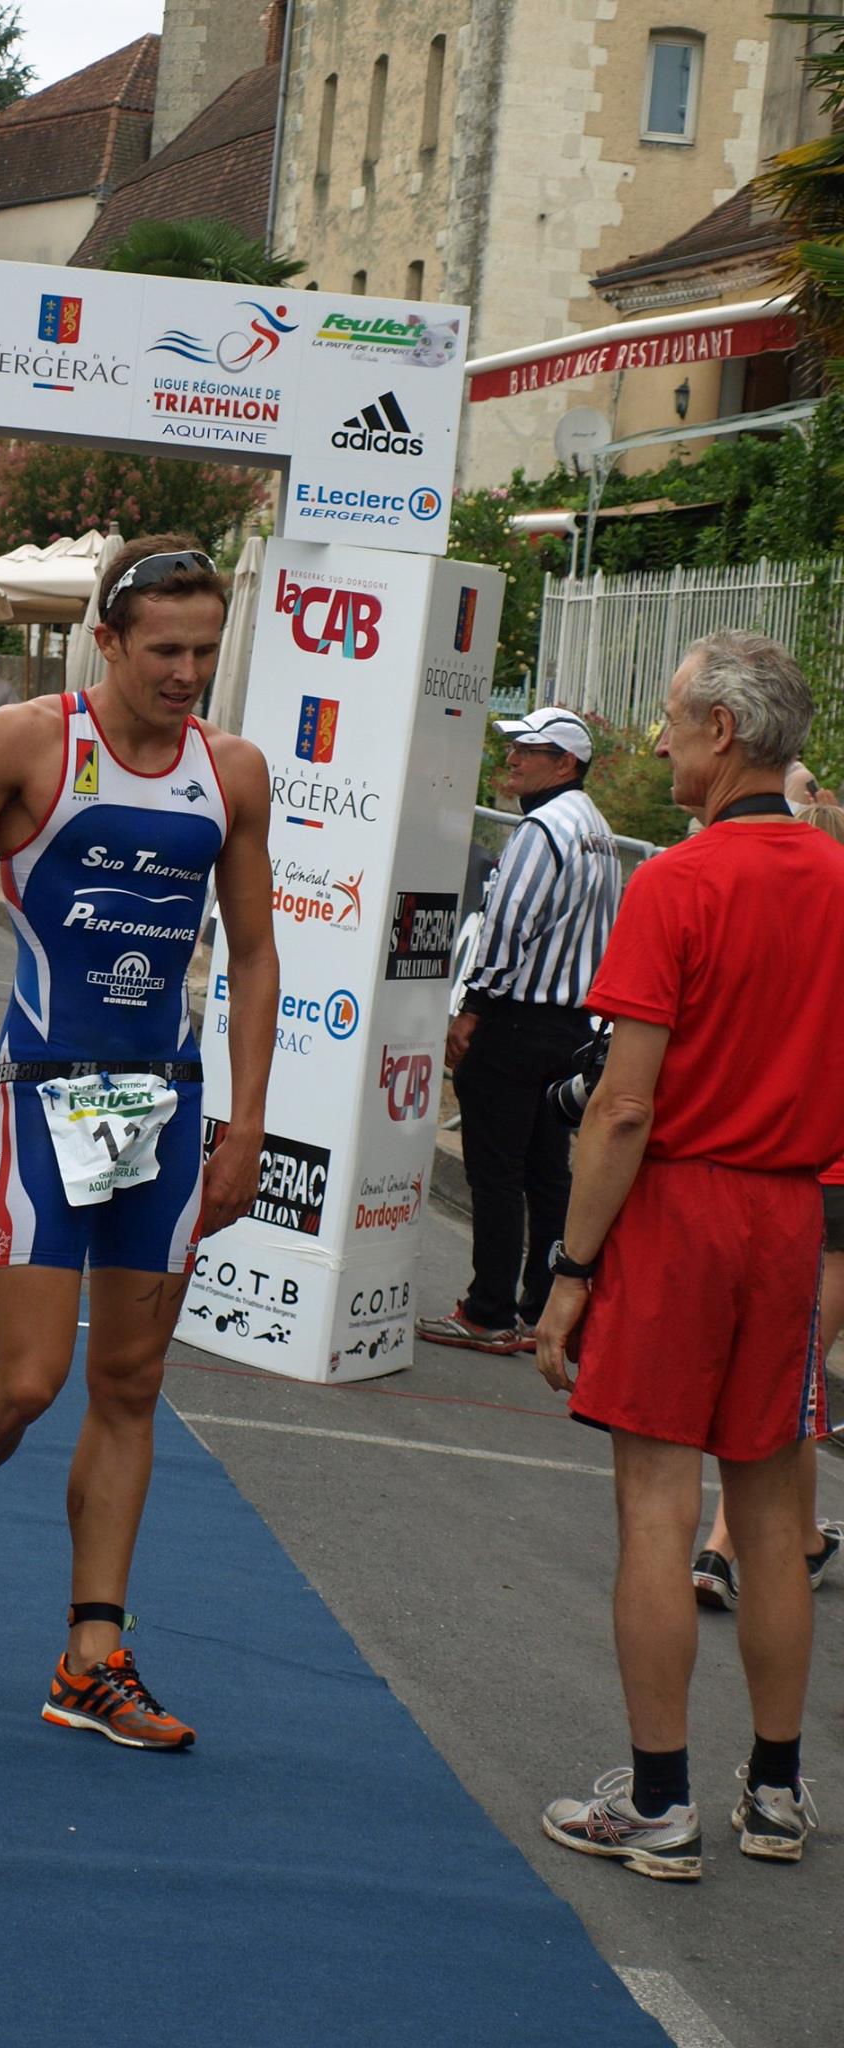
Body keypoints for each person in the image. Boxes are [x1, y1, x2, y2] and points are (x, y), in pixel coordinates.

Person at [0, 536, 277, 1750]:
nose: (188, 671)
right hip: (50, 1095)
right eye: (166, 649)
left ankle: (93, 1652)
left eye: (206, 648)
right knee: (30, 1382)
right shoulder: (34, 740)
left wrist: (248, 1119)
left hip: (167, 1104)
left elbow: (254, 954)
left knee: (130, 1386)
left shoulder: (229, 771)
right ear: (109, 640)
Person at [534, 631, 844, 1879]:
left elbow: (621, 1106)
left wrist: (569, 1269)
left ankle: (659, 1800)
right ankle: (775, 1786)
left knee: (658, 1512)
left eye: (670, 719)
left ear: (724, 731)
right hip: (794, 1214)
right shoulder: (838, 877)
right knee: (775, 1516)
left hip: (684, 1213)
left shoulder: (676, 882)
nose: (657, 741)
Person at [418, 707, 621, 1354]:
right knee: (546, 1173)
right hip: (570, 1026)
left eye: (528, 748)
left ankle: (489, 1310)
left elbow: (508, 928)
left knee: (498, 1170)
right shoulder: (597, 828)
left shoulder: (544, 828)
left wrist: (472, 1006)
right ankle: (538, 1310)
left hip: (516, 1020)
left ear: (565, 763)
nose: (513, 758)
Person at [689, 797, 844, 1614]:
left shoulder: (784, 899)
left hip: (799, 1172)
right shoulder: (821, 902)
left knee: (794, 1386)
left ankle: (726, 1543)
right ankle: (770, 1541)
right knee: (794, 1385)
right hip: (804, 1173)